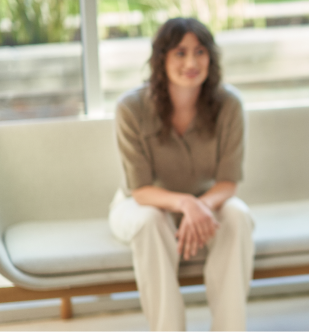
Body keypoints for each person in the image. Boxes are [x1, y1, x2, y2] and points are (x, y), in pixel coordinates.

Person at [109, 18, 254, 332]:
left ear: (210, 58)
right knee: (150, 221)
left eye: (200, 52)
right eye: (180, 52)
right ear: (161, 58)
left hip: (205, 202)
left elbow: (228, 182)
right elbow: (141, 190)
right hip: (143, 203)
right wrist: (187, 204)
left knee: (238, 216)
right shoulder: (130, 108)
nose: (191, 62)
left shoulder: (229, 105)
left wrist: (198, 206)